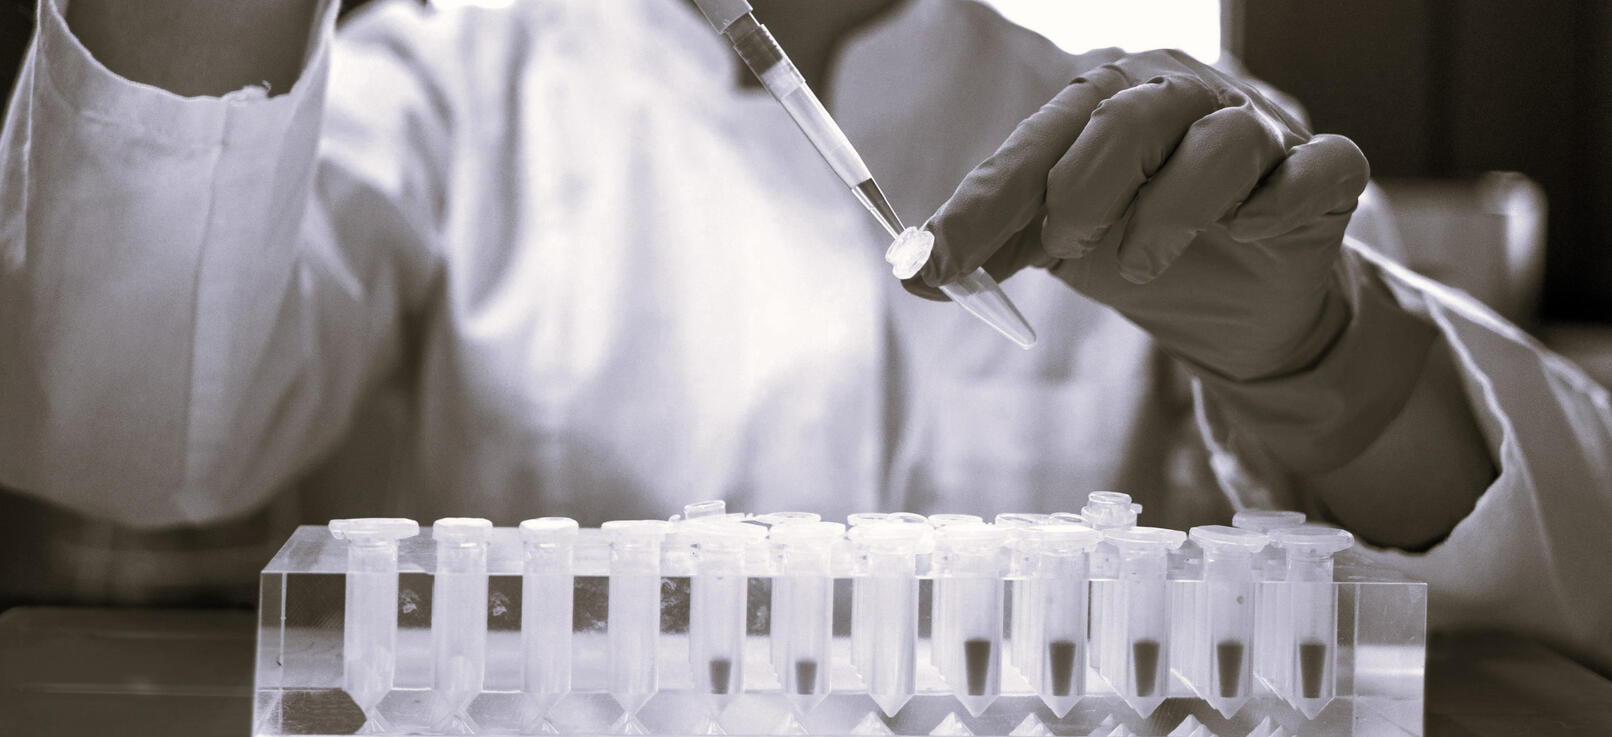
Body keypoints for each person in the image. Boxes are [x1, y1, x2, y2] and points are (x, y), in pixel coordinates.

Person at [1, 0, 1608, 672]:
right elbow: (126, 437)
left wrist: (1328, 369)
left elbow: (1551, 559)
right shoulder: (451, 84)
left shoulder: (1142, 131)